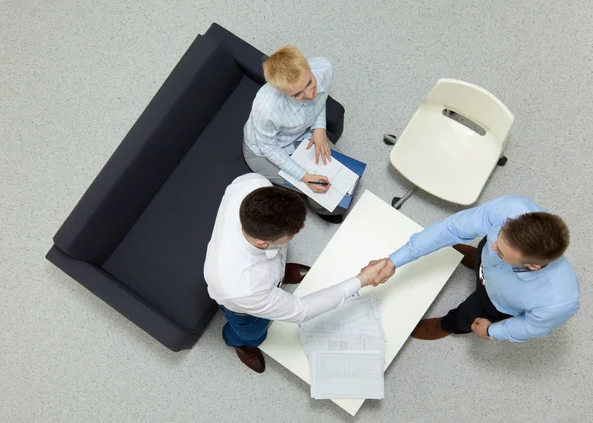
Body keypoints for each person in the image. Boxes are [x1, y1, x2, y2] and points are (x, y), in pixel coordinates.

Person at [204, 173, 388, 373]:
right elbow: (302, 310)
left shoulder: (253, 183)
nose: (302, 227)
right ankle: (238, 343)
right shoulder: (244, 288)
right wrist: (363, 279)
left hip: (267, 273)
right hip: (243, 309)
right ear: (262, 243)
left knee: (277, 266)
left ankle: (280, 277)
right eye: (294, 232)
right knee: (253, 333)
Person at [369, 195, 580, 342]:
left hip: (494, 302)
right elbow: (451, 229)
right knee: (481, 252)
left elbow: (528, 327)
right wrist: (394, 261)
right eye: (497, 236)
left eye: (501, 253)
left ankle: (445, 326)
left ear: (533, 266)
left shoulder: (558, 302)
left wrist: (492, 330)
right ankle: (477, 261)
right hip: (489, 264)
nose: (493, 244)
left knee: (464, 317)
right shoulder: (511, 209)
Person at [243, 45, 345, 224]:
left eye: (309, 83)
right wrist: (304, 177)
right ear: (283, 92)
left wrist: (319, 128)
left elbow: (319, 98)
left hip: (301, 131)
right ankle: (319, 208)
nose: (310, 93)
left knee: (342, 174)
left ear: (309, 68)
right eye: (298, 94)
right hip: (264, 151)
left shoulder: (324, 68)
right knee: (317, 189)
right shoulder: (266, 109)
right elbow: (268, 147)